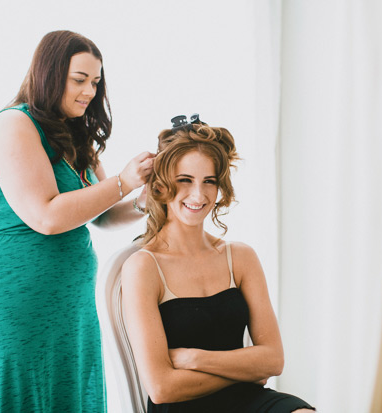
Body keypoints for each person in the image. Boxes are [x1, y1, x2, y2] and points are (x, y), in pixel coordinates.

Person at [0, 30, 154, 412]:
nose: (89, 92)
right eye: (79, 79)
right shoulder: (14, 124)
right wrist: (123, 182)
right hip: (13, 292)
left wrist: (146, 201)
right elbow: (46, 217)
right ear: (49, 75)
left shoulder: (75, 132)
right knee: (21, 393)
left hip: (69, 297)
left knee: (71, 390)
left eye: (96, 82)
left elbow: (100, 214)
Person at [121, 115, 315, 412]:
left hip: (248, 401)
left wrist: (195, 359)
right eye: (184, 180)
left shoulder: (240, 257)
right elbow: (161, 388)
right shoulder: (143, 267)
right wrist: (246, 369)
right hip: (182, 405)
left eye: (209, 182)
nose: (198, 195)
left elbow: (273, 360)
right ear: (161, 185)